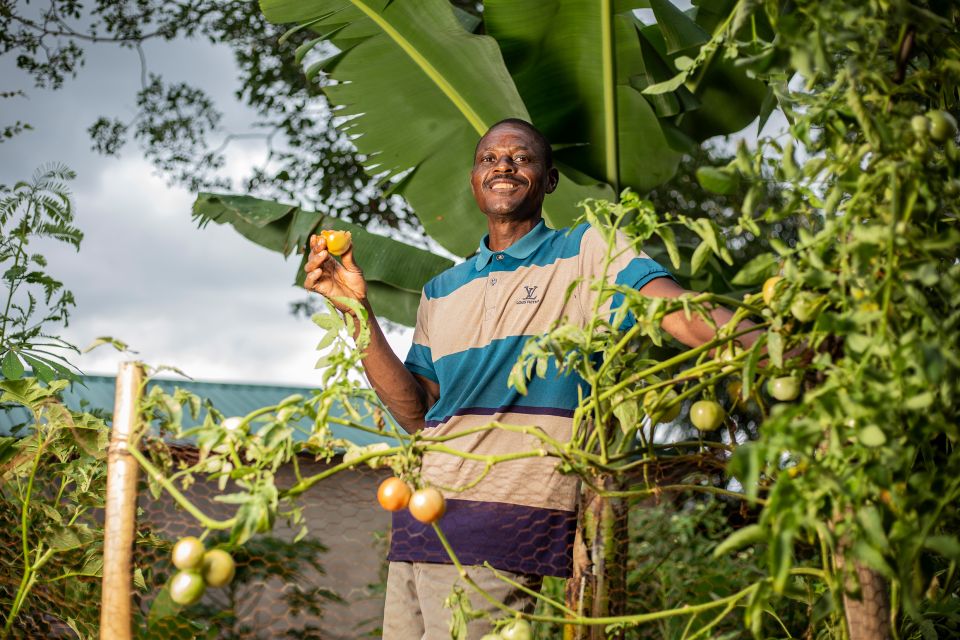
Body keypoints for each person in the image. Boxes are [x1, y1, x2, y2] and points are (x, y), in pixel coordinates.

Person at [303, 118, 760, 639]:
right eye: (489, 158)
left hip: (504, 519)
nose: (503, 165)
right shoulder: (441, 290)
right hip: (419, 517)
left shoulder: (588, 252)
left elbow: (675, 313)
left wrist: (772, 348)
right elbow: (416, 413)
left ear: (549, 179)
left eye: (521, 157)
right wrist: (355, 311)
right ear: (474, 180)